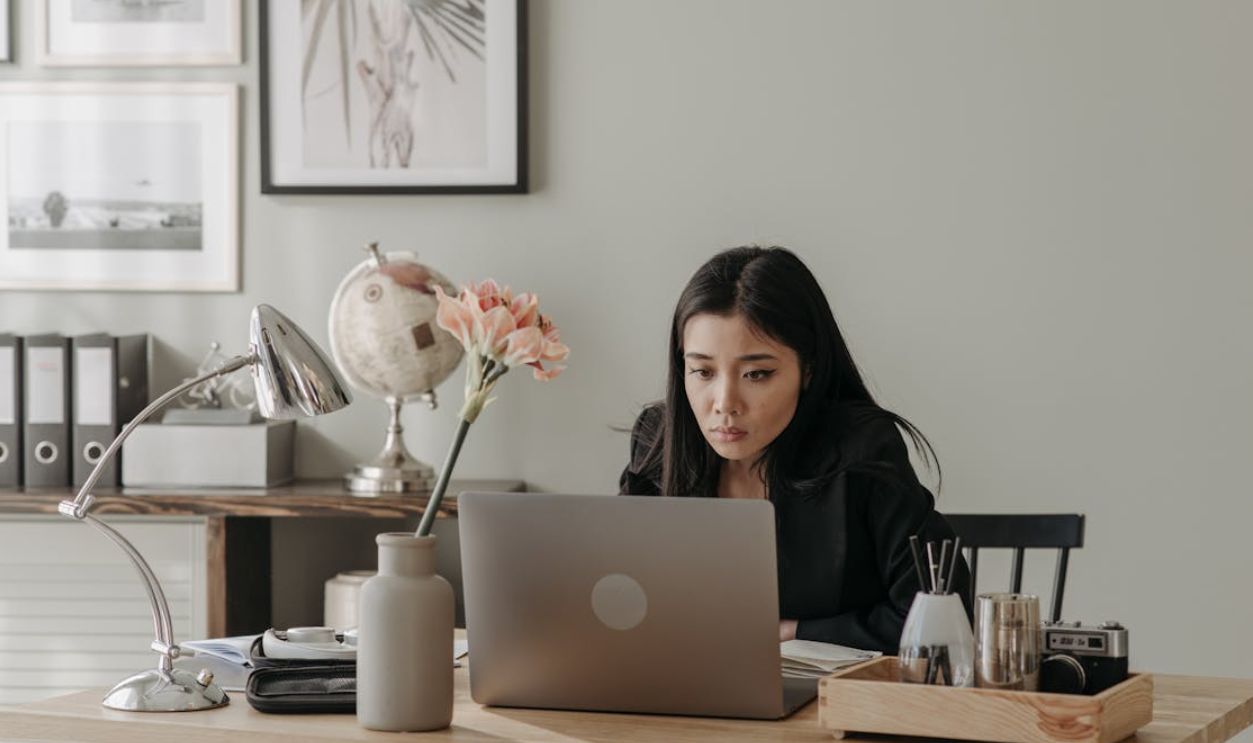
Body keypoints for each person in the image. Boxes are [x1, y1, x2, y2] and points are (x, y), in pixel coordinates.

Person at [619, 246, 969, 653]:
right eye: (702, 371)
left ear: (809, 370)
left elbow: (942, 611)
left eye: (757, 374)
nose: (724, 402)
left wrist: (794, 630)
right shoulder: (658, 438)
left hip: (833, 704)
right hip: (682, 693)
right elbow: (618, 598)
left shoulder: (861, 446)